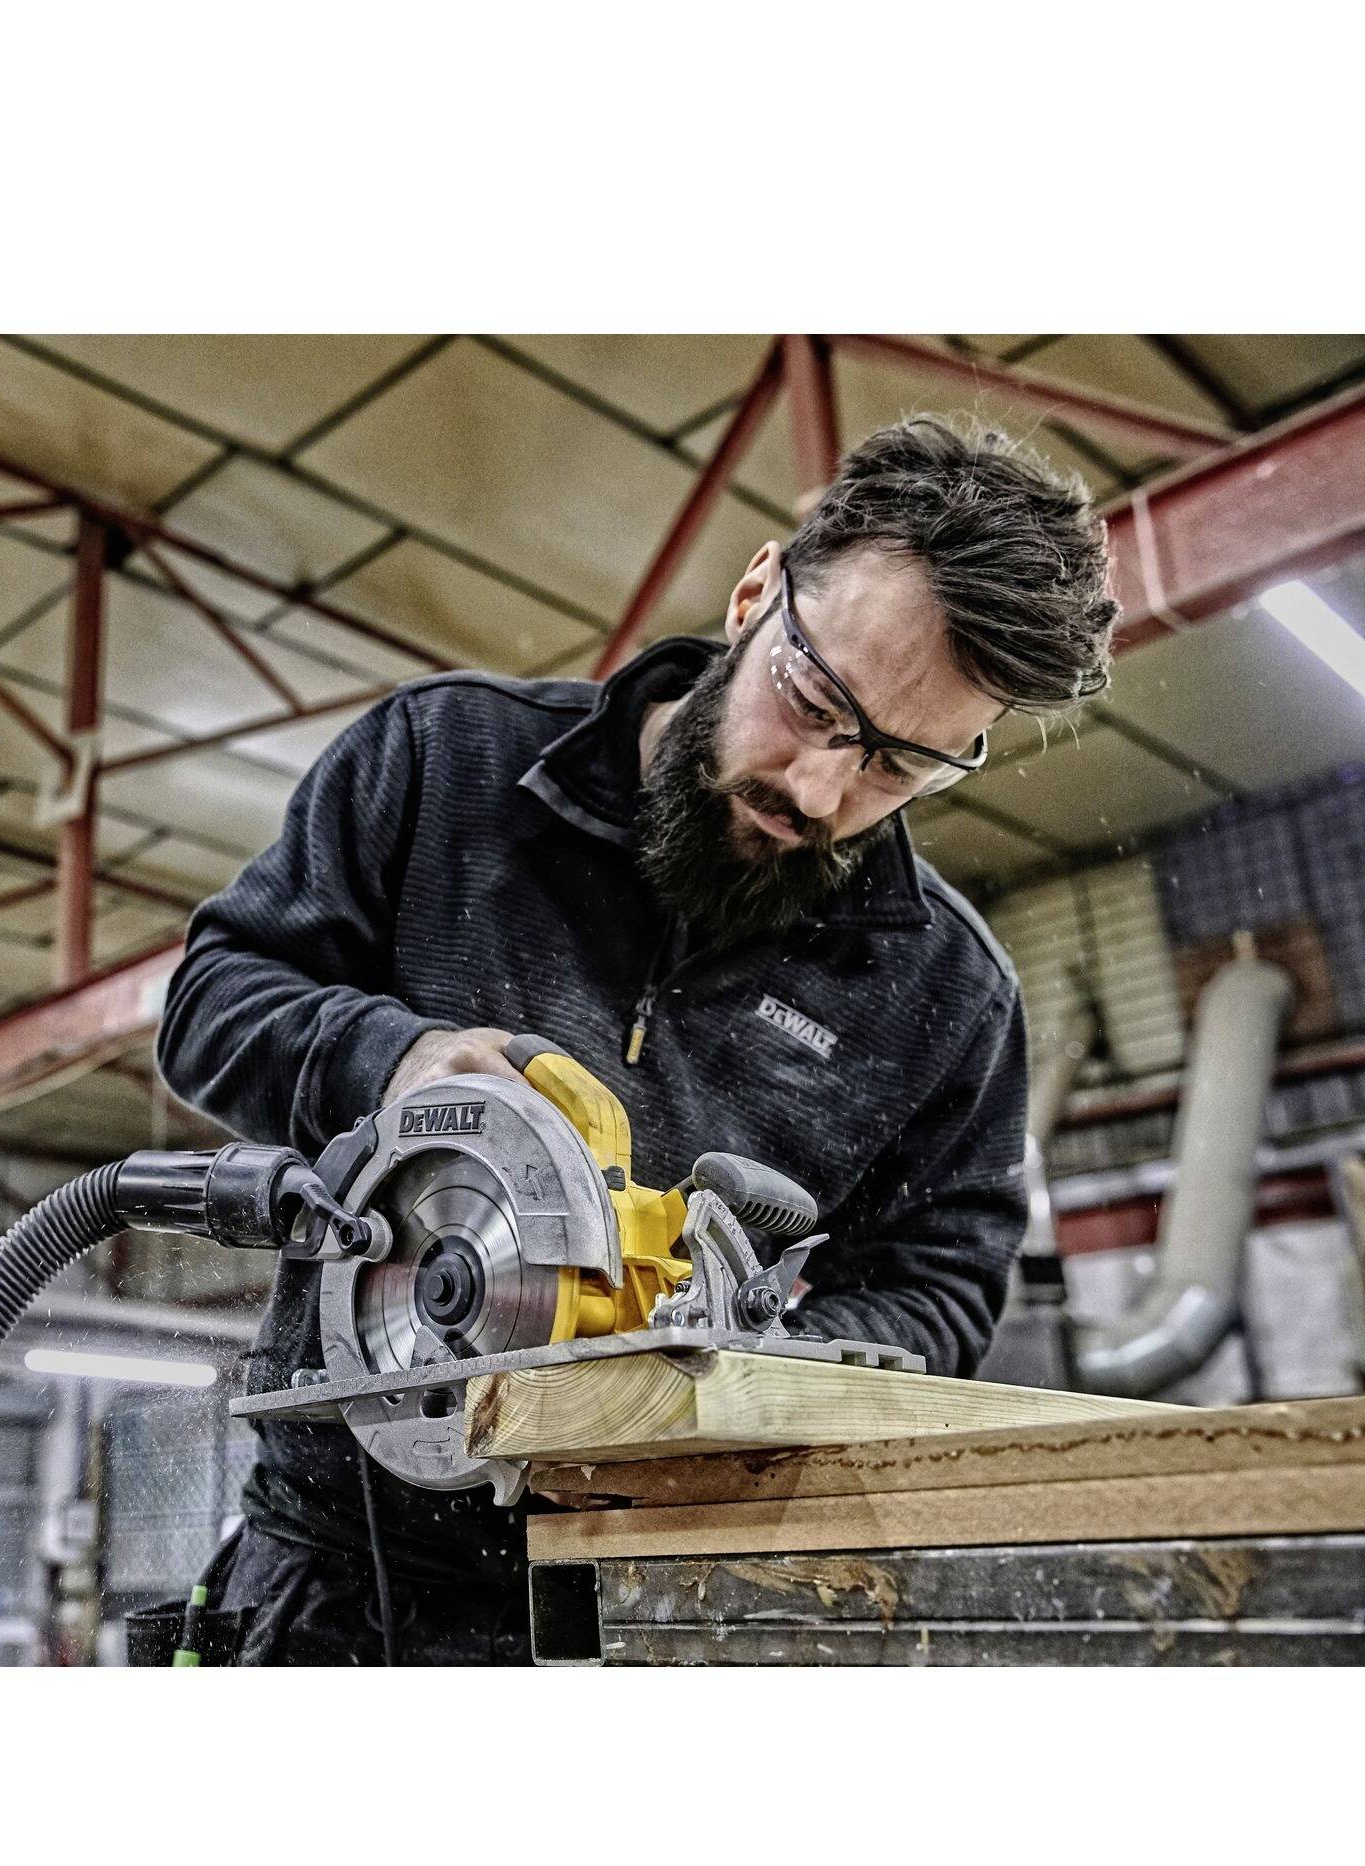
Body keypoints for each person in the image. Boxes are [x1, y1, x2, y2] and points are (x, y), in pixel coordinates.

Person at [156, 415, 1118, 1665]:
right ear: (754, 594)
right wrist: (392, 1061)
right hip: (337, 1565)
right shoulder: (446, 760)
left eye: (900, 762)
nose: (821, 791)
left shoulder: (942, 988)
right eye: (813, 701)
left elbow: (935, 1285)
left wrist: (733, 1365)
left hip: (675, 1587)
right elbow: (215, 998)